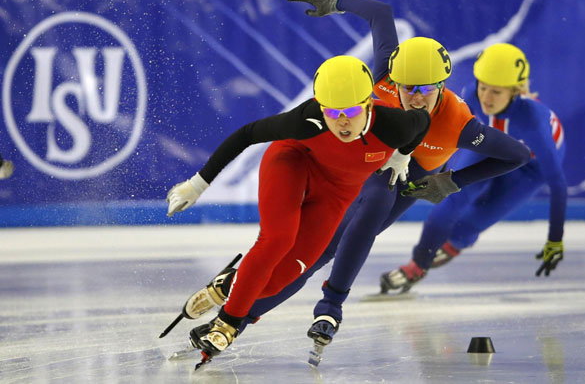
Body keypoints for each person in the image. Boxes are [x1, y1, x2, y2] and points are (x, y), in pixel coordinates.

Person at [187, 0, 531, 363]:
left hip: (412, 177)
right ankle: (237, 307)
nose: (415, 97)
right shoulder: (383, 75)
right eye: (407, 88)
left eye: (427, 89)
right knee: (308, 247)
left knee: (339, 238)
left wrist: (451, 182)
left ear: (443, 85)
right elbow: (381, 14)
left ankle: (298, 310)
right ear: (393, 81)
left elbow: (516, 155)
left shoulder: (459, 124)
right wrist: (337, 1)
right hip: (374, 159)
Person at [166, 54, 432, 365]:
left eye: (351, 110)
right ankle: (227, 324)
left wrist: (402, 155)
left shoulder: (394, 125)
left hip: (336, 192)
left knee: (284, 278)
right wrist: (197, 184)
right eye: (333, 111)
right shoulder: (308, 118)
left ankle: (227, 285)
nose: (342, 120)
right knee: (278, 239)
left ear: (369, 104)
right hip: (293, 163)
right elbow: (247, 135)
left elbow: (423, 123)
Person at [386, 43, 566, 290]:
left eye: (496, 92)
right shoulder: (470, 95)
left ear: (515, 92)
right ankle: (416, 265)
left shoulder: (533, 124)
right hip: (492, 148)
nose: (486, 98)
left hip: (530, 169)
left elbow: (558, 185)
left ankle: (457, 242)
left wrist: (555, 240)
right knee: (447, 204)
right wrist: (444, 174)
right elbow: (452, 137)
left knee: (471, 223)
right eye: (483, 87)